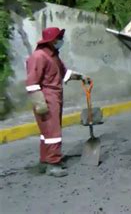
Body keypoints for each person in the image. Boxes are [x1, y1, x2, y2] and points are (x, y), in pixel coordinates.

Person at [26, 27, 89, 177]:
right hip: (46, 97)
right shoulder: (39, 56)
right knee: (53, 132)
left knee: (47, 132)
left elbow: (64, 73)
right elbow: (32, 82)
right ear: (53, 40)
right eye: (60, 37)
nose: (62, 40)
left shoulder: (53, 56)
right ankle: (53, 164)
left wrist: (80, 76)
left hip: (54, 96)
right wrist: (40, 102)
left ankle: (45, 160)